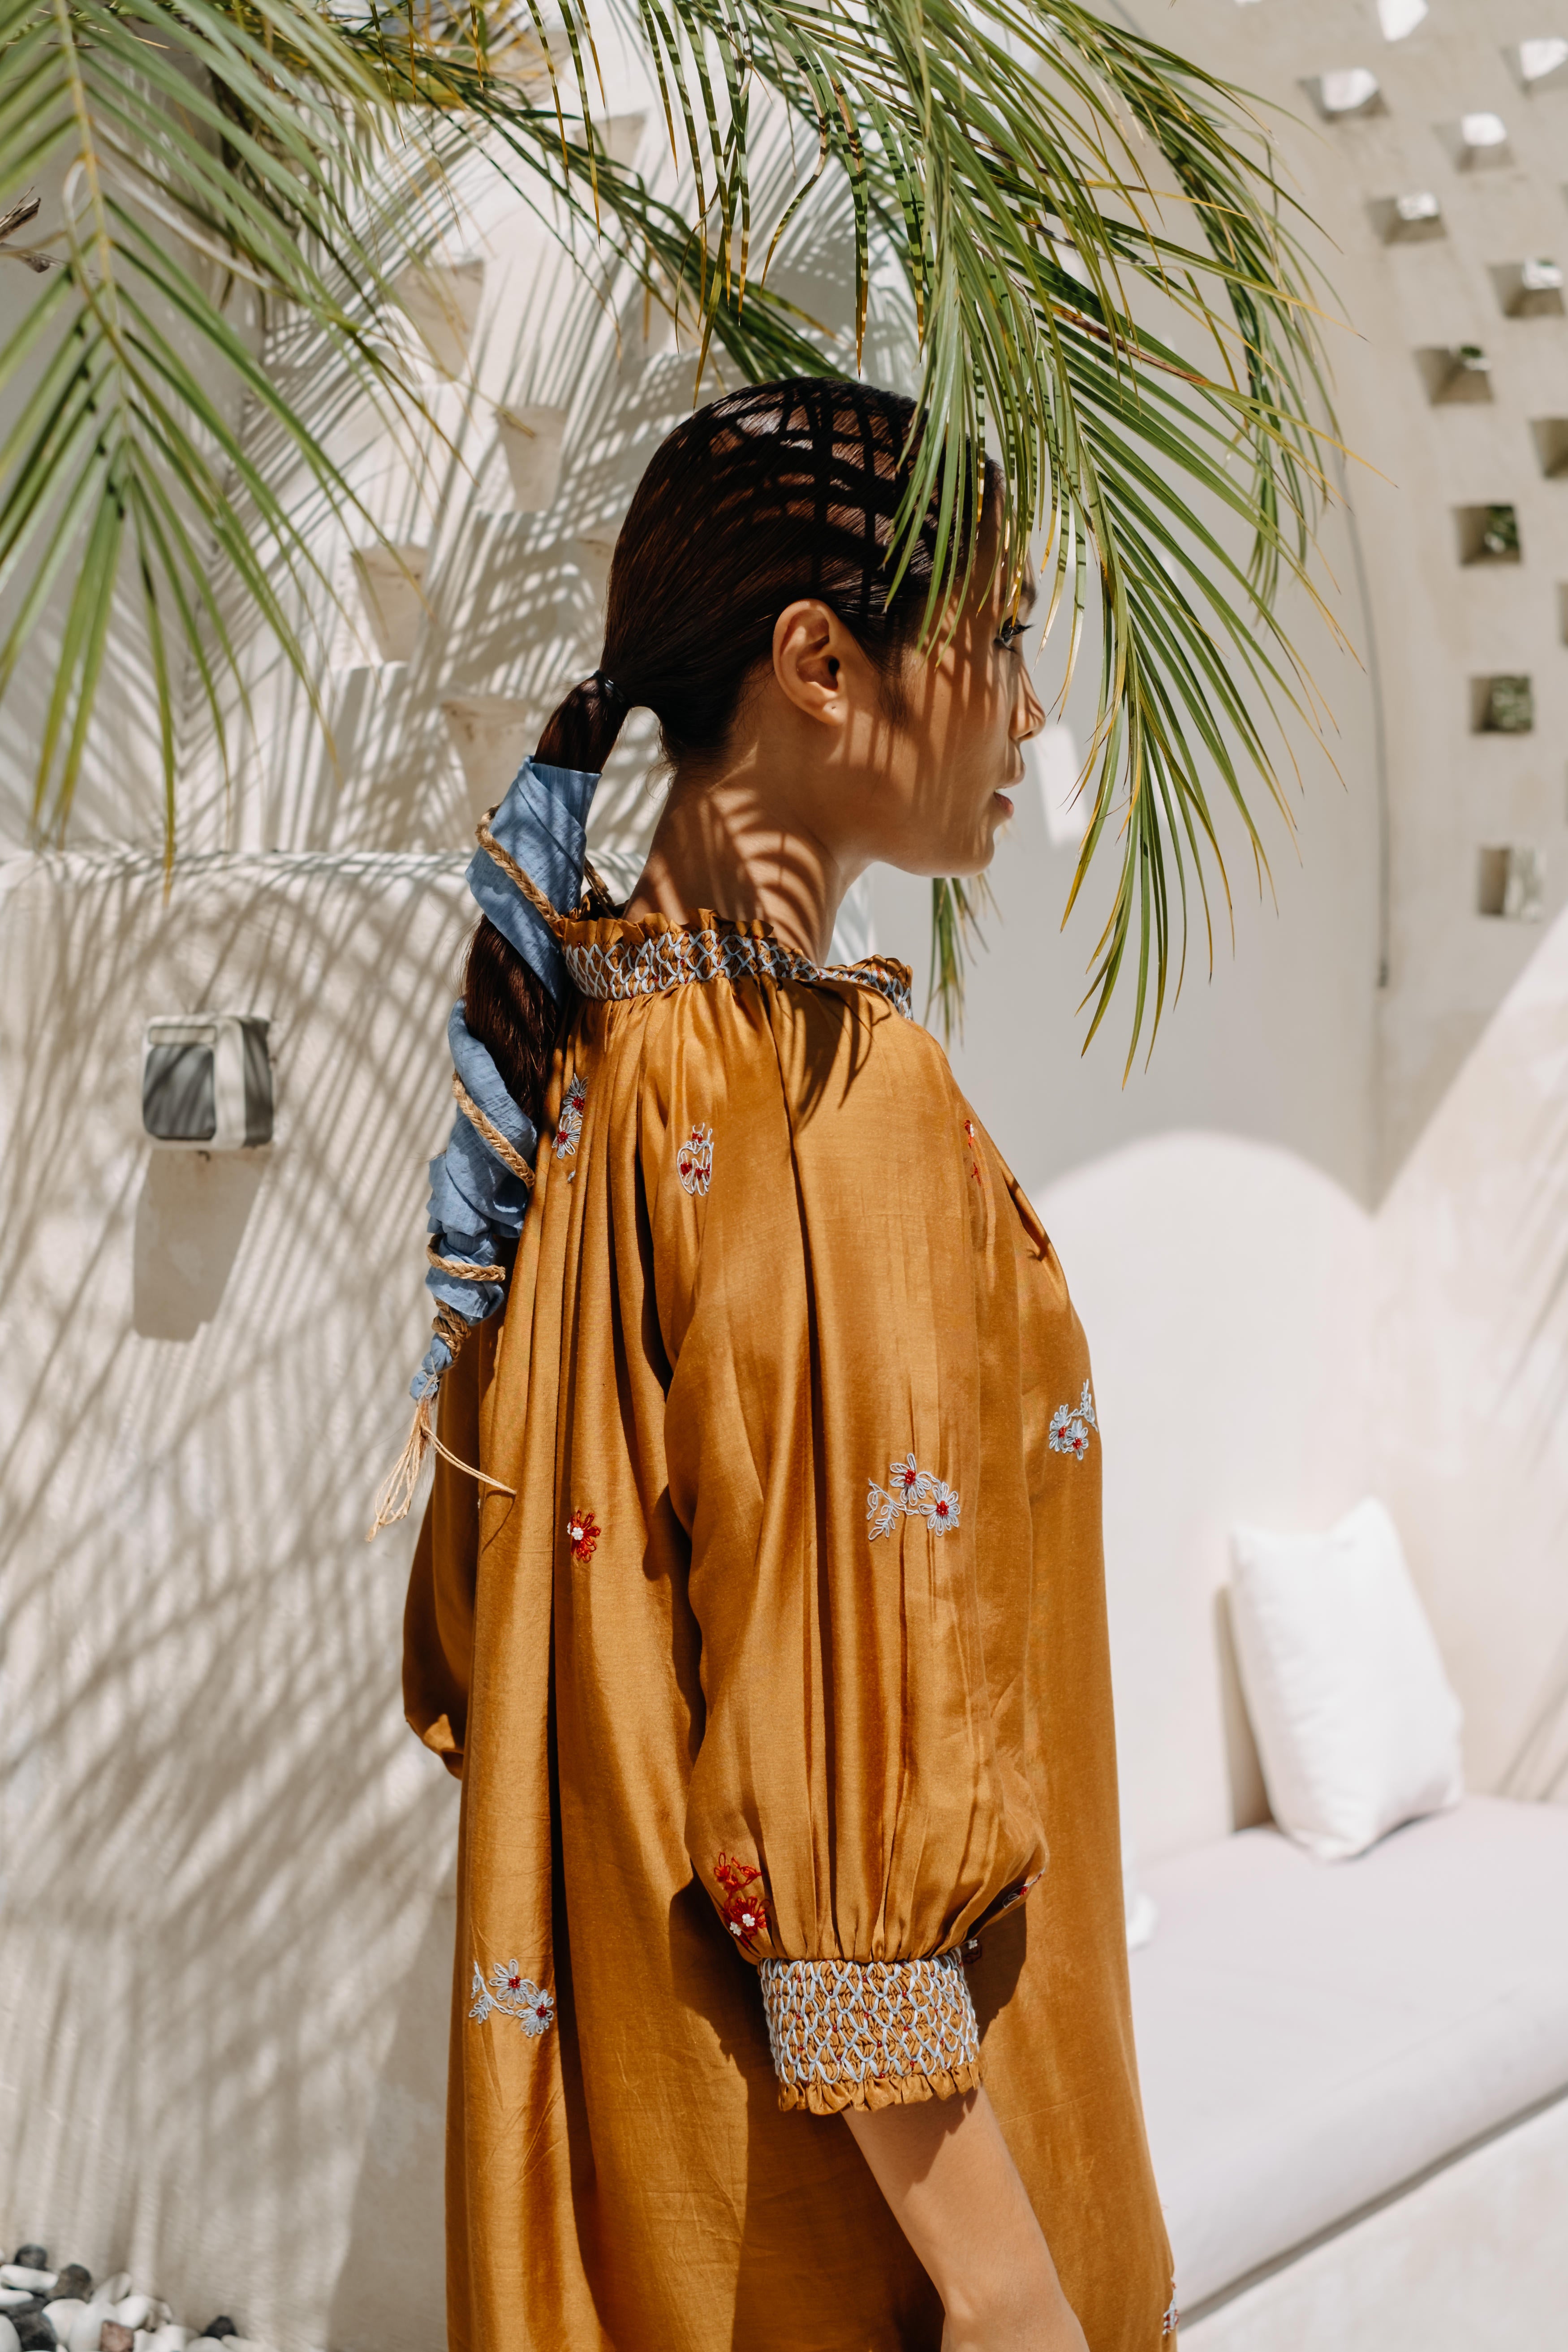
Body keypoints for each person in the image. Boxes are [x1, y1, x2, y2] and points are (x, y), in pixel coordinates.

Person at [395, 379, 1176, 2349]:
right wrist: (1008, 2285)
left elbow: (476, 1647)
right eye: (999, 639)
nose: (1029, 714)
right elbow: (845, 1777)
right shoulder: (835, 1098)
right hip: (869, 2248)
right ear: (820, 665)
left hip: (646, 2196)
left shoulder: (588, 1068)